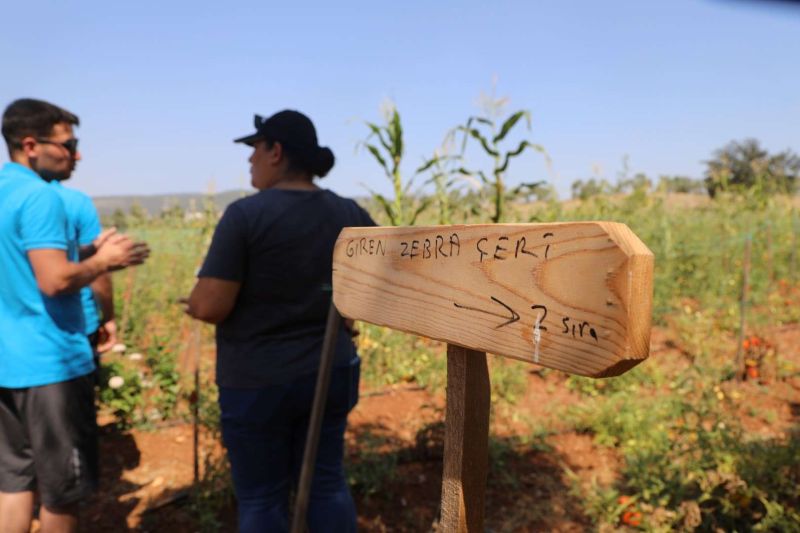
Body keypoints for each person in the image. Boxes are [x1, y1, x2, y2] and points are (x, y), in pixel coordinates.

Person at [185, 110, 374, 532]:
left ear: (276, 151)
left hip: (257, 380)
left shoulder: (245, 216)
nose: (249, 161)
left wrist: (193, 304)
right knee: (326, 482)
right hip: (331, 371)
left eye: (254, 150)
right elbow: (377, 286)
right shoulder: (350, 212)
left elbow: (212, 304)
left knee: (261, 497)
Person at [0, 98, 149, 533]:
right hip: (51, 366)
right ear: (31, 145)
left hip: (7, 364)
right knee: (61, 495)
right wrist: (106, 261)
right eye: (68, 144)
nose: (76, 154)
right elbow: (54, 280)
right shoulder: (41, 198)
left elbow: (21, 267)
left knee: (13, 485)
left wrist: (83, 252)